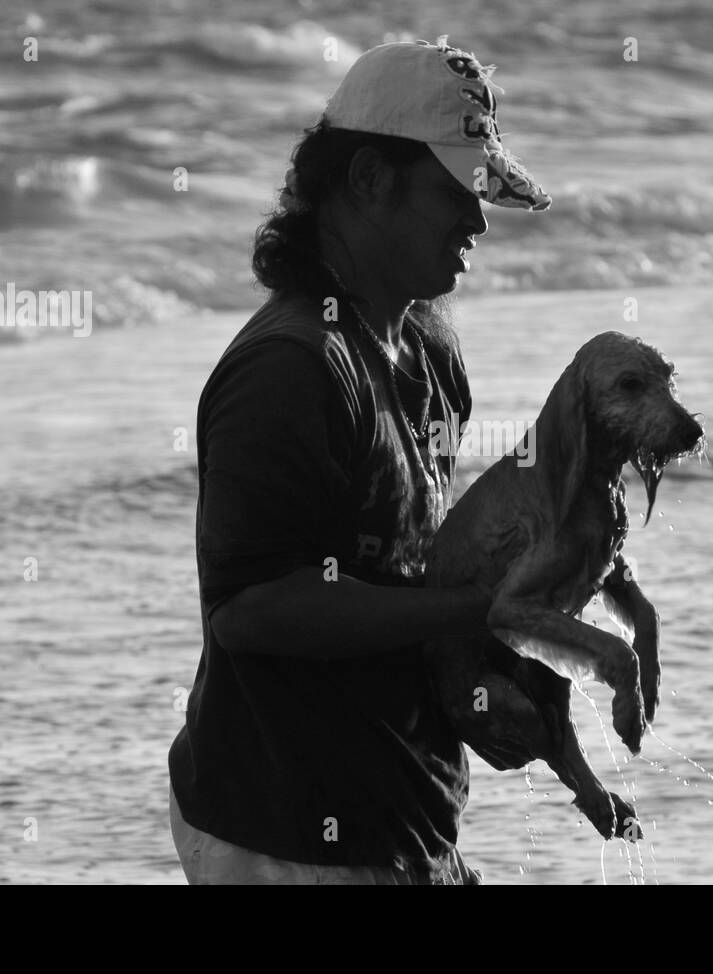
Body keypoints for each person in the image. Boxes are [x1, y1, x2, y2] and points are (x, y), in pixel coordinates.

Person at [166, 38, 551, 884]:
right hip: (284, 837)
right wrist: (471, 610)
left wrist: (484, 677)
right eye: (458, 190)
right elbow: (253, 609)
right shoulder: (288, 370)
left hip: (406, 827)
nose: (480, 218)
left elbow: (409, 575)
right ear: (369, 180)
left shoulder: (428, 348)